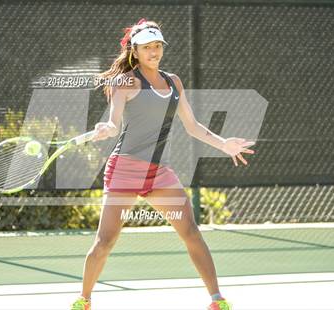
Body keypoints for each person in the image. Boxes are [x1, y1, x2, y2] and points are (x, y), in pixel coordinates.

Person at [71, 18, 255, 310]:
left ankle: (216, 300)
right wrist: (105, 128)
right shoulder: (126, 81)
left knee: (191, 232)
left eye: (157, 46)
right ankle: (84, 300)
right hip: (125, 170)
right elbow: (113, 122)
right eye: (147, 47)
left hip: (159, 174)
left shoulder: (174, 82)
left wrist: (224, 144)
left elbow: (192, 126)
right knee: (105, 242)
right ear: (135, 51)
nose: (154, 52)